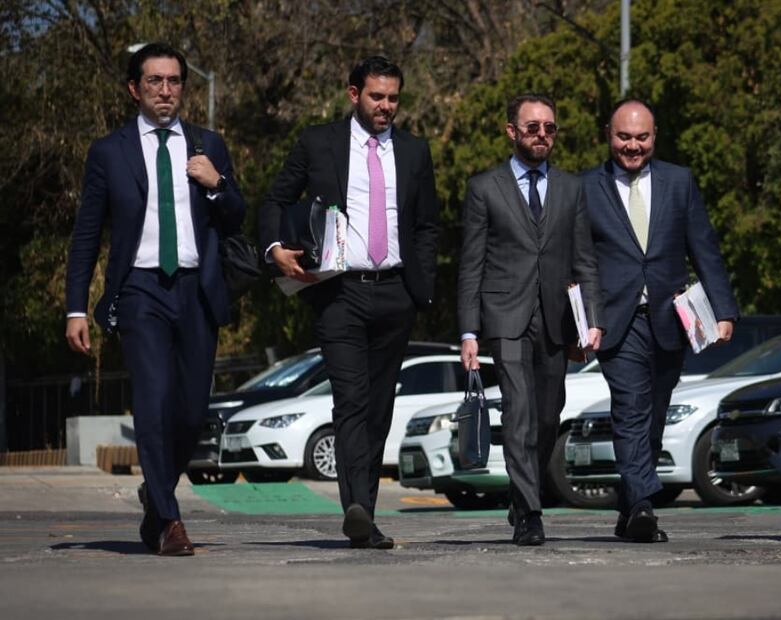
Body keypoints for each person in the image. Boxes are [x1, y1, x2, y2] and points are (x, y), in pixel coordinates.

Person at [65, 43, 247, 556]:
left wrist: (217, 184)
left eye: (174, 81)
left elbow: (237, 215)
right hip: (140, 289)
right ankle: (169, 521)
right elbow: (85, 237)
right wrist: (75, 307)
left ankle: (156, 492)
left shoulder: (209, 143)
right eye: (154, 82)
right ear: (134, 89)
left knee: (190, 412)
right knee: (152, 401)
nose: (166, 91)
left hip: (197, 290)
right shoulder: (109, 152)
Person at [260, 57, 439, 549]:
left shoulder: (414, 150)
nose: (386, 106)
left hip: (396, 292)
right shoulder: (318, 142)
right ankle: (356, 508)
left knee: (380, 406)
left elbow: (426, 224)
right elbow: (275, 200)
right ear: (353, 94)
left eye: (393, 98)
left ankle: (366, 513)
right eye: (376, 96)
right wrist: (276, 251)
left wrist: (419, 287)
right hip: (340, 292)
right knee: (351, 399)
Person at [581, 99, 737, 542]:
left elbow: (703, 246)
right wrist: (578, 320)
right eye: (623, 137)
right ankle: (646, 504)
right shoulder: (585, 187)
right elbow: (577, 259)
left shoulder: (679, 181)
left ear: (655, 137)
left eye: (642, 137)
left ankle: (630, 508)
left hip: (671, 319)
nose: (633, 146)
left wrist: (724, 311)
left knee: (653, 417)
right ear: (608, 135)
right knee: (630, 409)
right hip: (616, 319)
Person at [457, 94, 603, 546]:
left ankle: (522, 498)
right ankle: (531, 514)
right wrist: (469, 330)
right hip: (505, 316)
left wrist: (590, 319)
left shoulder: (571, 188)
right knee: (518, 412)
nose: (542, 135)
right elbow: (471, 264)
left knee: (546, 416)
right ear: (512, 131)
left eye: (550, 128)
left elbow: (585, 260)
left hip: (556, 319)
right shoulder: (485, 188)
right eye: (533, 127)